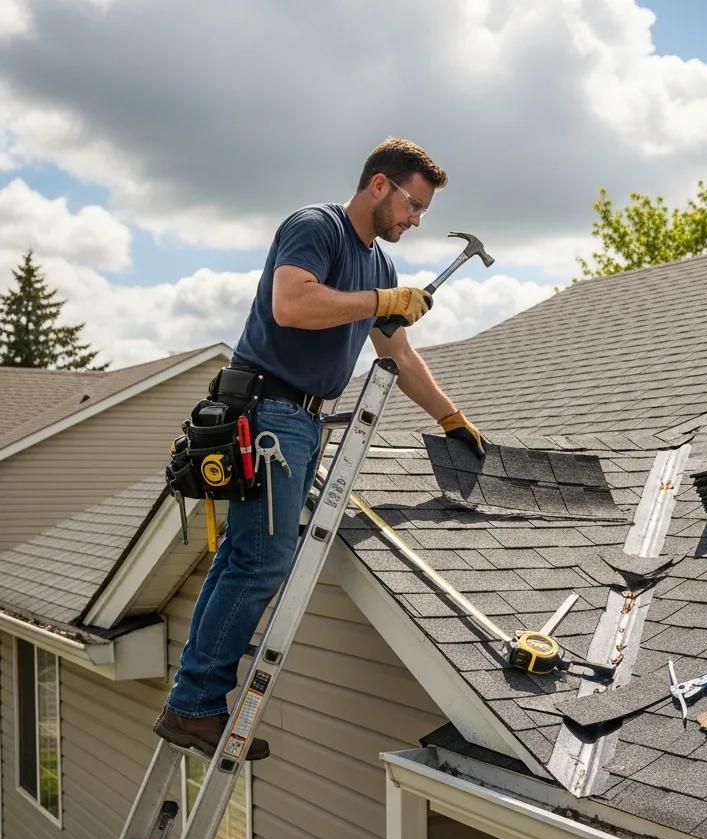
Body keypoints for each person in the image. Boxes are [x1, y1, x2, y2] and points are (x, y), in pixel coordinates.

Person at [154, 137, 483, 759]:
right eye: (413, 205)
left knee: (239, 561)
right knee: (261, 564)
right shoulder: (316, 227)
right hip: (269, 411)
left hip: (299, 420)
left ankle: (191, 701)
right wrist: (382, 302)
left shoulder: (378, 266)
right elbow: (293, 304)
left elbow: (397, 353)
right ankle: (195, 706)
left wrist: (452, 418)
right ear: (379, 185)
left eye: (424, 213)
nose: (416, 220)